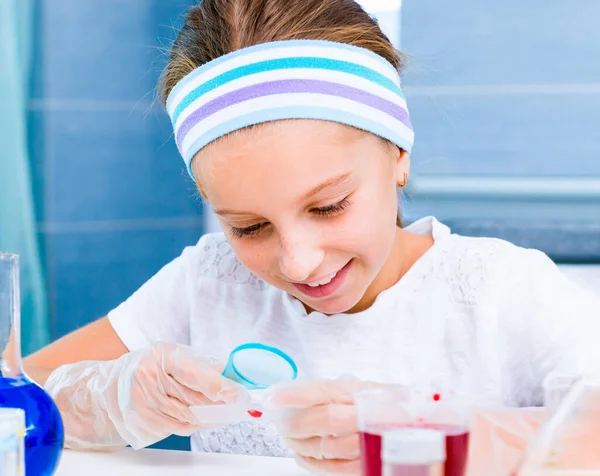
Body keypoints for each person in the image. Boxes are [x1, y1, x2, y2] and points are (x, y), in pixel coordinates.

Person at [20, 0, 600, 474]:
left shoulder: (499, 291)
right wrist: (108, 397)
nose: (299, 263)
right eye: (248, 226)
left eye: (329, 206)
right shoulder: (209, 282)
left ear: (397, 155)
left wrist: (457, 437)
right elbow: (12, 398)